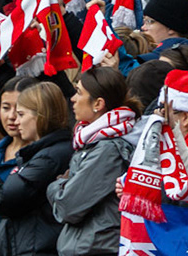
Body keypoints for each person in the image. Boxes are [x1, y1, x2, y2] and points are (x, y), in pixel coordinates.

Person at [0, 82, 74, 256]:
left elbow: (1, 200)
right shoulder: (0, 149)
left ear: (40, 115)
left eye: (21, 113)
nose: (14, 118)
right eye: (6, 107)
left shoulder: (48, 157)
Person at [47, 69, 137, 256]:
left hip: (98, 249)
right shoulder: (91, 143)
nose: (73, 98)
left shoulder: (108, 150)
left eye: (79, 92)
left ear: (98, 104)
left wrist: (56, 185)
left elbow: (68, 207)